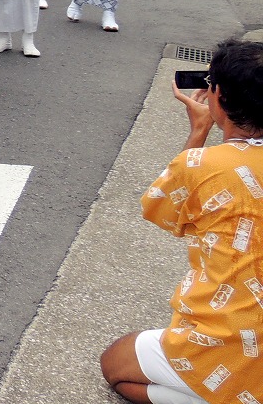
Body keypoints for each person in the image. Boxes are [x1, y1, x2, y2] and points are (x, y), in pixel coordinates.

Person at [100, 38, 263, 404]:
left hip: (223, 336)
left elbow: (158, 209)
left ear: (217, 96)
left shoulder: (202, 166)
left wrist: (198, 132)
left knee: (115, 363)